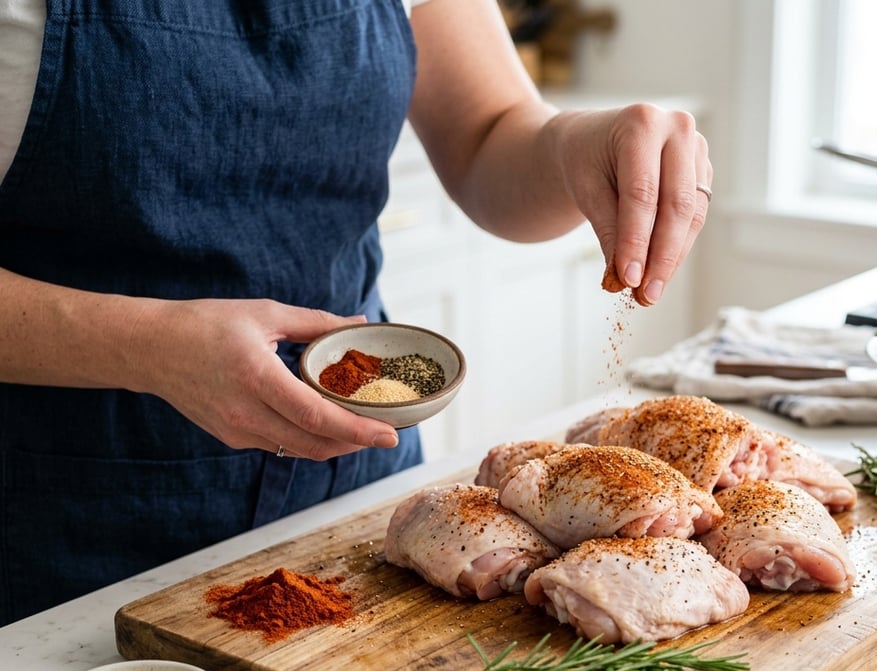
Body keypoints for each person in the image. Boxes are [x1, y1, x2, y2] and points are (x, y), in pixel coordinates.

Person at [0, 0, 712, 625]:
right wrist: (146, 344)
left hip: (361, 481)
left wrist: (574, 145)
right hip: (64, 507)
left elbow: (491, 133)